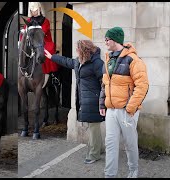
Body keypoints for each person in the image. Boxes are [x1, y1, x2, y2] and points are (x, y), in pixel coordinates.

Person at [99, 27, 149, 178]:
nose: (105, 42)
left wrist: (130, 107)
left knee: (130, 144)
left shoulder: (133, 60)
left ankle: (133, 171)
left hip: (127, 111)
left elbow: (143, 85)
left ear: (115, 40)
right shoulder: (108, 59)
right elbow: (104, 84)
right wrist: (102, 103)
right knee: (111, 144)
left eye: (107, 39)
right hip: (111, 111)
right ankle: (109, 175)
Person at [44, 39, 105, 164]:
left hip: (94, 100)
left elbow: (104, 82)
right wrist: (52, 57)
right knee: (92, 126)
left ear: (83, 50)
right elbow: (66, 61)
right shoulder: (79, 61)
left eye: (77, 48)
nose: (76, 50)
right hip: (84, 99)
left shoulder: (97, 62)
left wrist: (102, 101)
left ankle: (94, 154)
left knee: (93, 127)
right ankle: (99, 149)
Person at [20, 2, 60, 86]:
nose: (33, 12)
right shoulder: (28, 21)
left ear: (39, 10)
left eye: (35, 10)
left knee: (47, 51)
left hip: (43, 41)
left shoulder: (45, 21)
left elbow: (42, 33)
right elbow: (24, 32)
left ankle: (52, 74)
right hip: (32, 42)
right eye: (32, 10)